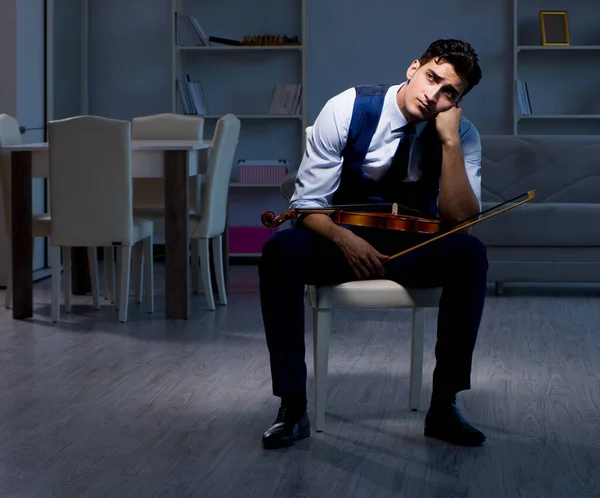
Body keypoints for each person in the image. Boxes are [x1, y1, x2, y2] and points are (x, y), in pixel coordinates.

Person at [259, 39, 488, 449]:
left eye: (449, 92)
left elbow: (461, 225)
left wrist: (450, 144)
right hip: (340, 236)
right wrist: (344, 239)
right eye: (431, 78)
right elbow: (307, 205)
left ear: (458, 102)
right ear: (413, 67)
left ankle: (444, 405)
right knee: (280, 252)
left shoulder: (463, 136)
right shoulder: (347, 107)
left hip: (413, 245)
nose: (433, 95)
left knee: (470, 255)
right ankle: (292, 407)